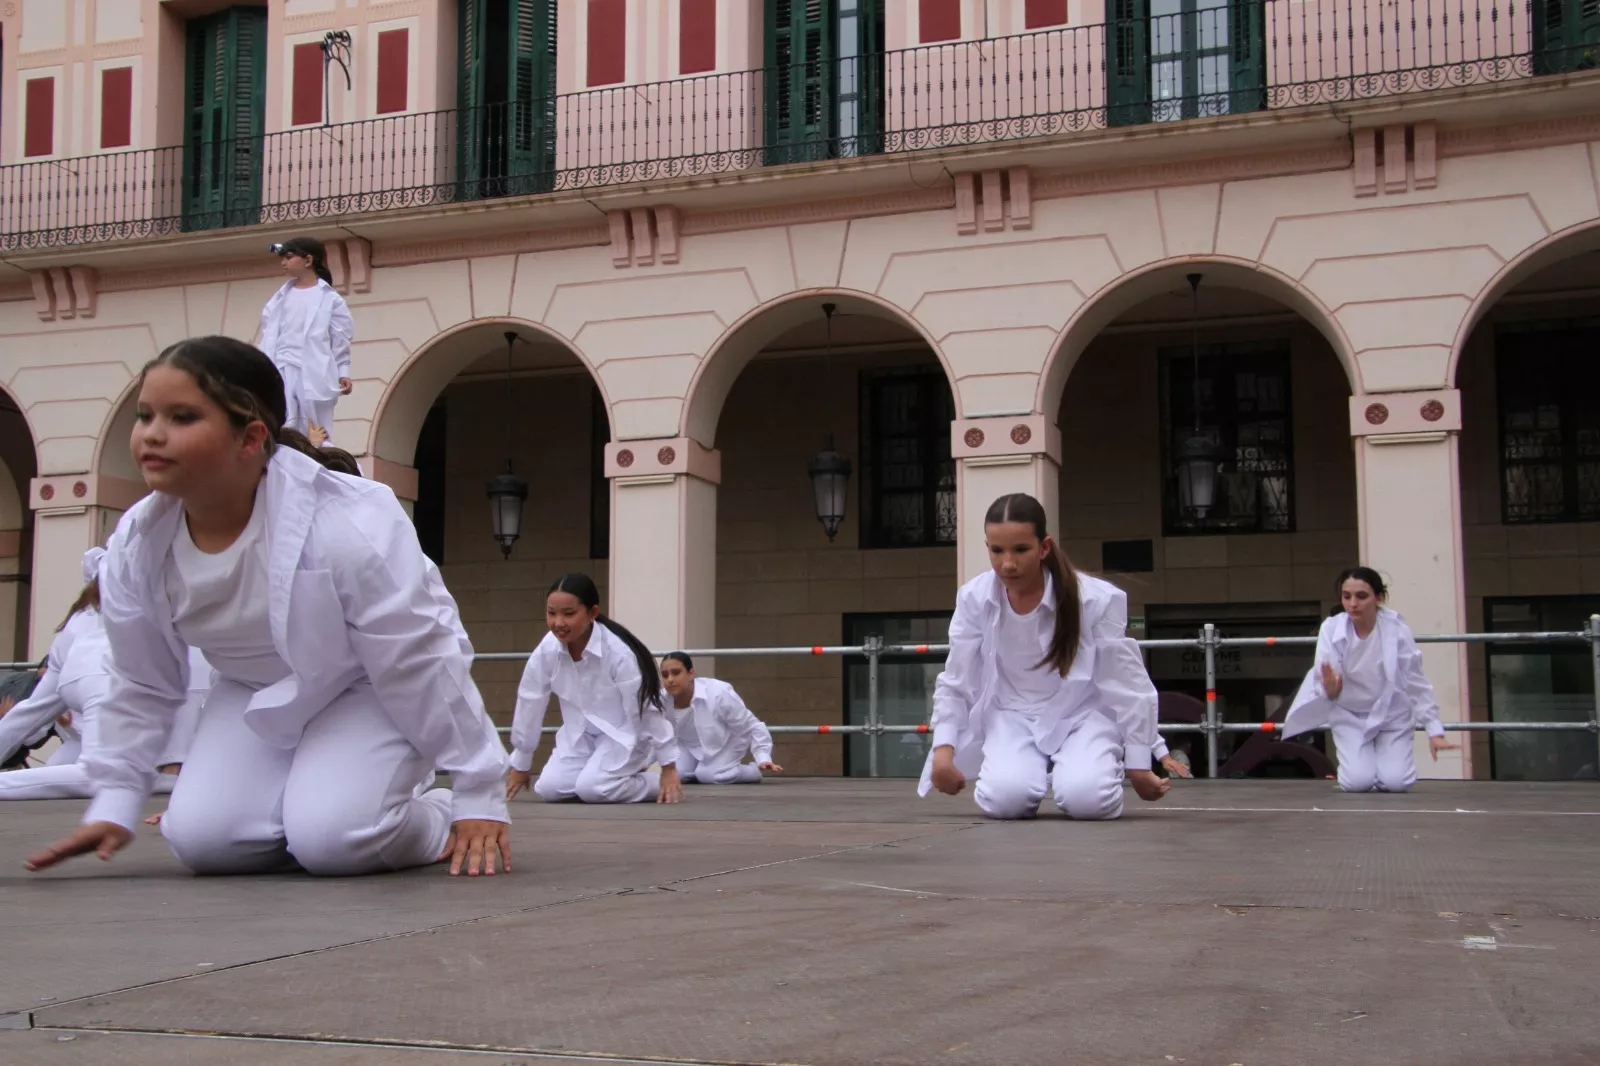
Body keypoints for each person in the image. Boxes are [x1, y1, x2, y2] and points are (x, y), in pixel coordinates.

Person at [24, 335, 509, 878]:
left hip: (368, 683)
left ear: (251, 437)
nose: (152, 435)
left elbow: (417, 659)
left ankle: (424, 812)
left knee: (335, 841)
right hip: (252, 689)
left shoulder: (348, 523)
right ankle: (318, 805)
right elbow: (143, 680)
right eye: (145, 415)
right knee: (204, 841)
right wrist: (115, 800)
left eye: (182, 417)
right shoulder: (137, 543)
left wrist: (477, 792)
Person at [920, 493, 1170, 820]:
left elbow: (1127, 682)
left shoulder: (1093, 600)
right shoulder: (975, 599)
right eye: (997, 550)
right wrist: (942, 753)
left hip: (1083, 713)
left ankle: (1080, 770)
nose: (1008, 563)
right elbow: (956, 680)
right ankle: (1032, 774)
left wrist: (1138, 763)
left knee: (1089, 800)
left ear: (1044, 547)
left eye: (1020, 549)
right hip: (1011, 713)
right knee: (1004, 801)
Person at [505, 573, 683, 805]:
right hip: (579, 736)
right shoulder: (547, 650)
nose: (558, 623)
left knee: (593, 789)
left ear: (593, 613)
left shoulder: (618, 653)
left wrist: (668, 765)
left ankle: (652, 783)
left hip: (625, 736)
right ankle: (603, 778)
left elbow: (645, 709)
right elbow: (530, 701)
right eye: (551, 613)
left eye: (569, 614)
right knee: (549, 788)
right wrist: (521, 763)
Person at [1283, 566, 1456, 793]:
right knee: (1357, 783)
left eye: (1361, 596)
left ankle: (1386, 769)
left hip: (1392, 712)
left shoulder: (1396, 629)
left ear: (1379, 598)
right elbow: (1325, 679)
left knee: (1397, 782)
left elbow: (1415, 681)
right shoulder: (1331, 628)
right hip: (1349, 712)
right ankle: (1362, 768)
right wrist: (1330, 690)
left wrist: (1435, 731)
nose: (1353, 603)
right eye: (1347, 597)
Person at [258, 237, 353, 445]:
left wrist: (343, 370)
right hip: (282, 365)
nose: (284, 262)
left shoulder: (330, 298)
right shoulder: (280, 298)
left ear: (308, 260)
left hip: (313, 369)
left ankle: (319, 461)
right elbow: (268, 333)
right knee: (283, 422)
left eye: (289, 257)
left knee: (316, 426)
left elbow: (341, 337)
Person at [659, 652, 781, 784]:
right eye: (665, 675)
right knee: (676, 775)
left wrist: (763, 757)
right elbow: (653, 734)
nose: (670, 680)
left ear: (691, 673)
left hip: (726, 741)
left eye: (676, 673)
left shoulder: (718, 693)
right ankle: (700, 772)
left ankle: (752, 772)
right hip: (688, 745)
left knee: (709, 775)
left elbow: (752, 726)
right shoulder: (661, 700)